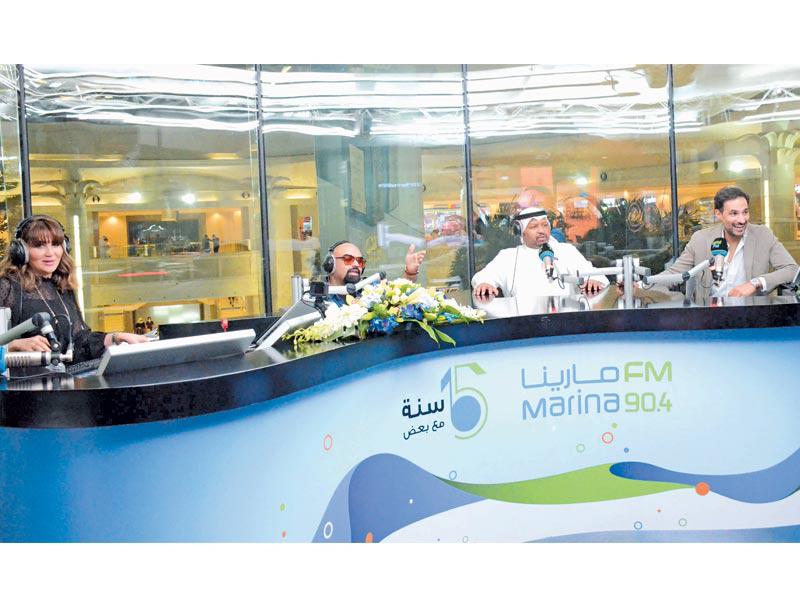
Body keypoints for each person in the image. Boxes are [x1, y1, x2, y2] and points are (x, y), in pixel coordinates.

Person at [0, 215, 148, 360]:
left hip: (62, 373)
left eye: (56, 244)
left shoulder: (62, 287)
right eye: (39, 245)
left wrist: (116, 337)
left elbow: (79, 340)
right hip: (23, 376)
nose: (50, 253)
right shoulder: (6, 287)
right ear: (21, 251)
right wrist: (14, 345)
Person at [657, 186, 798, 298]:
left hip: (751, 316)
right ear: (718, 214)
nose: (742, 220)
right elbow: (674, 273)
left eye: (745, 212)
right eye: (734, 213)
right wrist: (645, 285)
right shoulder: (700, 239)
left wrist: (755, 283)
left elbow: (791, 269)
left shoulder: (763, 235)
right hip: (708, 317)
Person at [472, 207, 608, 299]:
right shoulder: (508, 256)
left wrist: (594, 281)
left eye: (545, 225)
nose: (541, 231)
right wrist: (485, 284)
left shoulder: (566, 251)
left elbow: (595, 275)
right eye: (534, 226)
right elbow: (483, 277)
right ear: (520, 231)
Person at [324, 240, 426, 306]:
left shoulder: (369, 289)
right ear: (331, 264)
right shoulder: (318, 297)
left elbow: (397, 293)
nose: (356, 264)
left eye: (360, 261)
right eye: (348, 259)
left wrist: (410, 273)